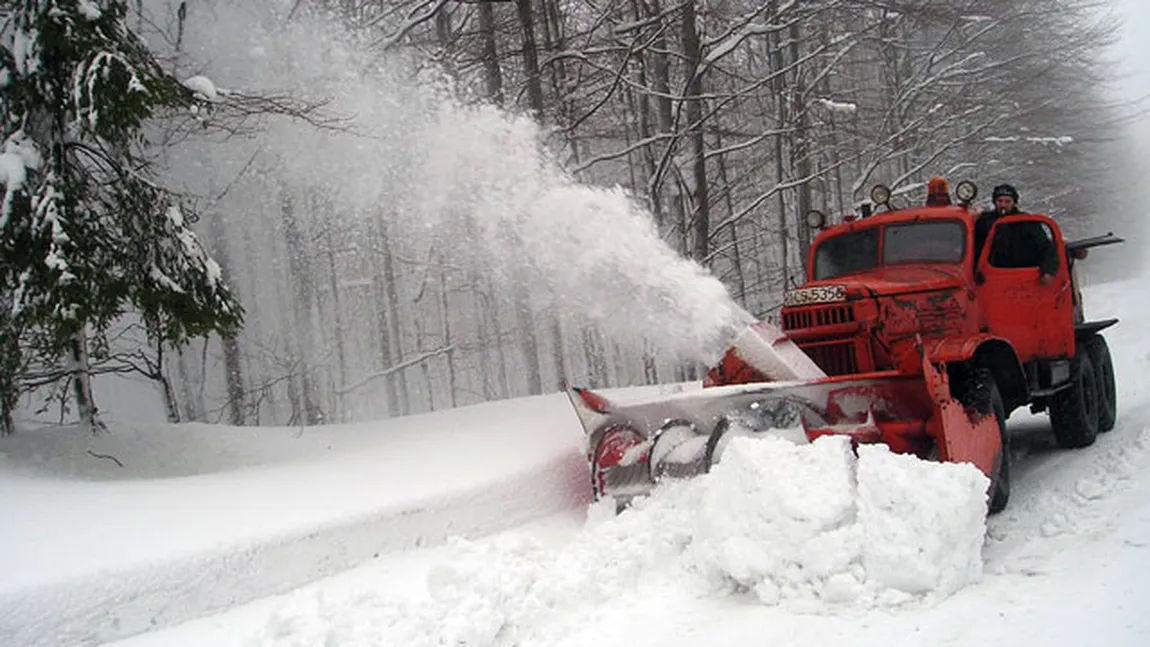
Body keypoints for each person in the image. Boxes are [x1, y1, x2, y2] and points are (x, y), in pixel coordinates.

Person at [973, 183, 1059, 283]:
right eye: (999, 201)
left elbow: (1045, 247)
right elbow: (972, 244)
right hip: (991, 277)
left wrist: (1048, 270)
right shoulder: (984, 221)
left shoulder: (1026, 222)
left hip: (1023, 277)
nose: (1003, 205)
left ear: (1014, 203)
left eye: (1007, 201)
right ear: (994, 202)